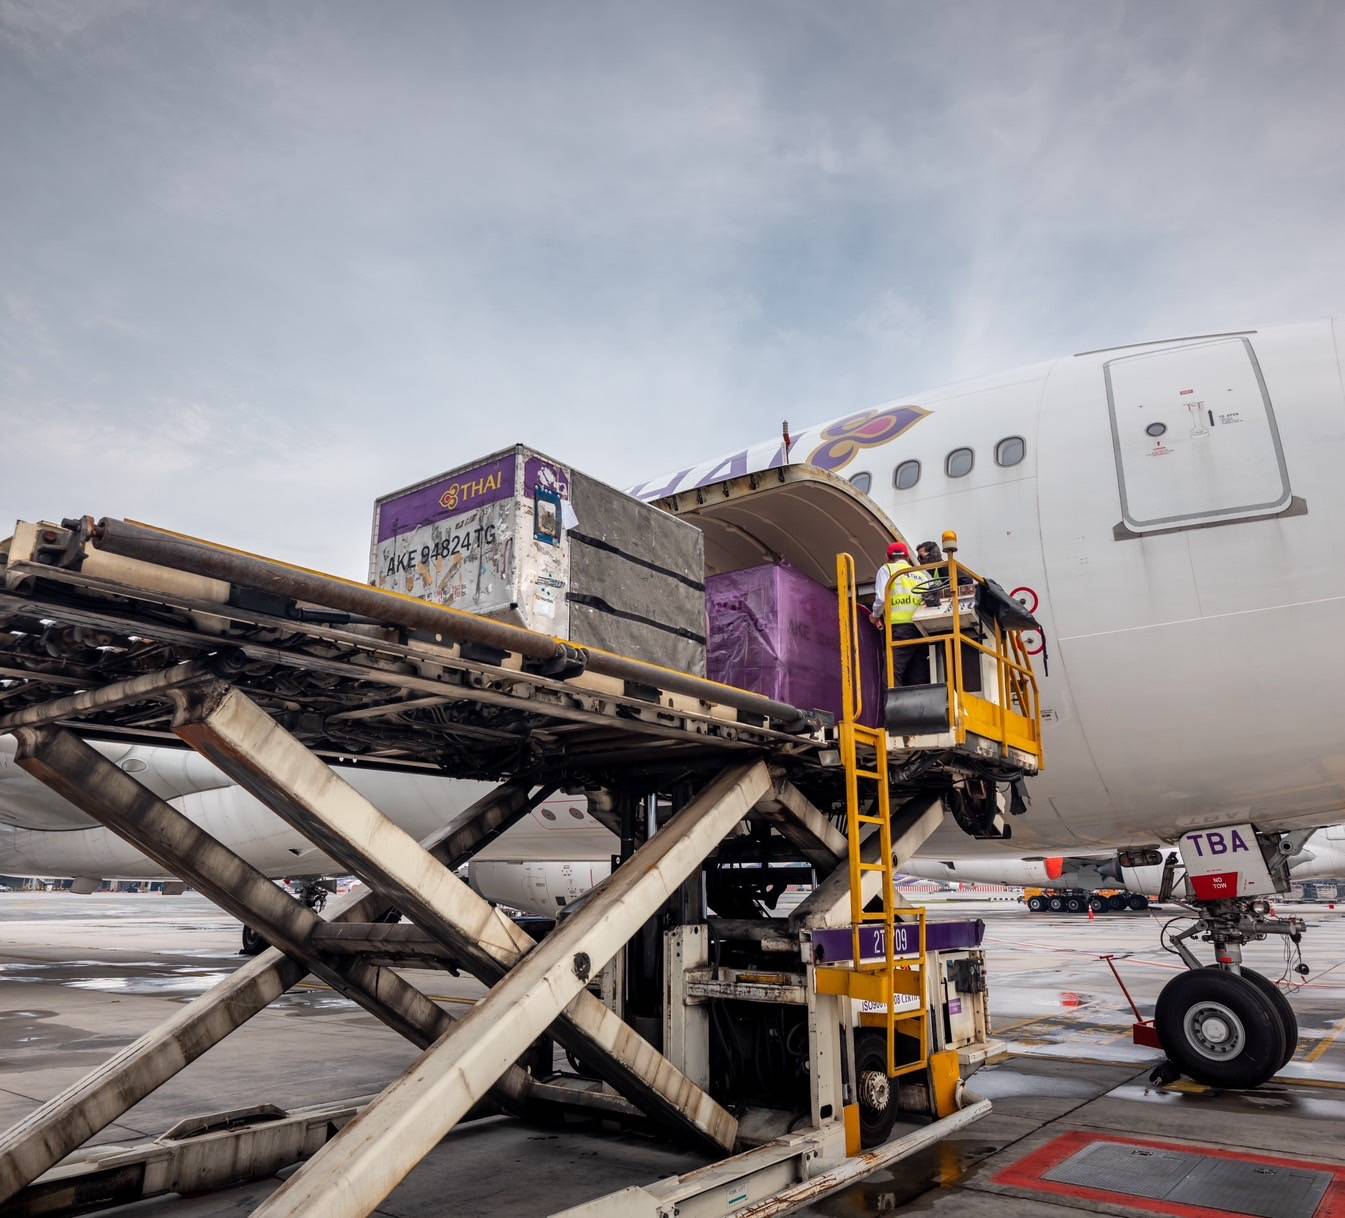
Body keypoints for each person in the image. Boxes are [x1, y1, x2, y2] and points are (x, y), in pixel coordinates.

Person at [870, 541, 928, 685]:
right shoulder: (920, 574)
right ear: (907, 557)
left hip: (899, 629)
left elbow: (881, 598)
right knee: (917, 676)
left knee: (891, 676)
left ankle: (894, 701)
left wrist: (875, 616)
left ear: (887, 557)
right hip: (921, 629)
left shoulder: (887, 569)